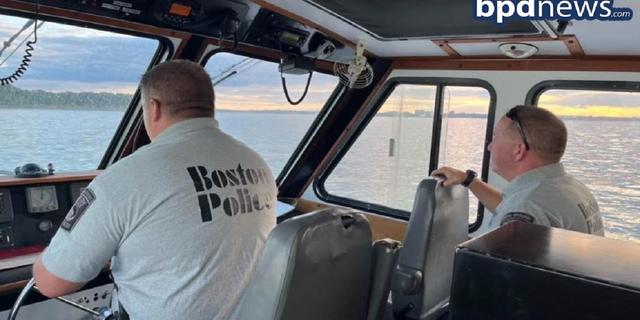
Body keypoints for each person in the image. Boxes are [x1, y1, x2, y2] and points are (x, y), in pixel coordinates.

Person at [33, 60, 278, 320]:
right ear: (209, 105)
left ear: (154, 107)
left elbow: (52, 284)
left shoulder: (125, 178)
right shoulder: (256, 163)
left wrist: (47, 256)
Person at [433, 105, 604, 236]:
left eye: (496, 138)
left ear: (519, 150)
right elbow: (507, 205)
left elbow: (505, 278)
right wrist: (468, 180)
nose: (490, 146)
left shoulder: (526, 206)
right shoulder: (570, 188)